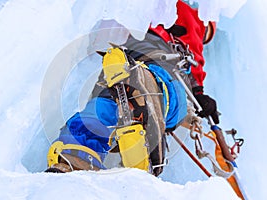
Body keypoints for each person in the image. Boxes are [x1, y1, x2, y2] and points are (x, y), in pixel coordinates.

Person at [46, 0, 218, 176]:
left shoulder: (136, 13)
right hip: (161, 59)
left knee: (108, 100)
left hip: (125, 54)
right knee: (173, 101)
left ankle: (75, 154)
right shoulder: (192, 15)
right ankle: (150, 92)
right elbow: (195, 61)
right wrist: (199, 93)